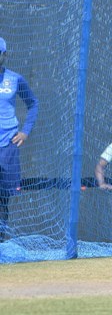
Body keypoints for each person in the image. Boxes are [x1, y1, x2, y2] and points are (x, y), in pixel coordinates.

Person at [0, 37, 38, 240]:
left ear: (4, 55)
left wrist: (25, 131)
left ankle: (1, 238)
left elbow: (33, 103)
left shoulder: (15, 79)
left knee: (3, 195)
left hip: (8, 143)